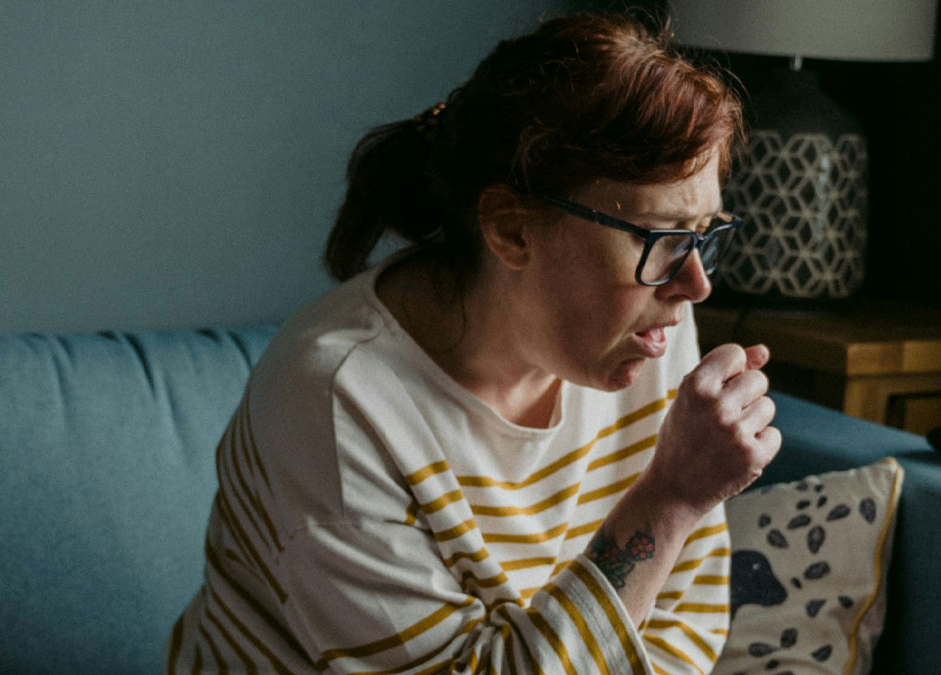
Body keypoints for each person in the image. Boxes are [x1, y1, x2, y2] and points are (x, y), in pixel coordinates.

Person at [166, 11, 780, 674]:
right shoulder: (338, 401)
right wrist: (670, 499)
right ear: (512, 229)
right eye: (660, 238)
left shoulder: (652, 326)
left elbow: (682, 622)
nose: (695, 284)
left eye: (704, 235)